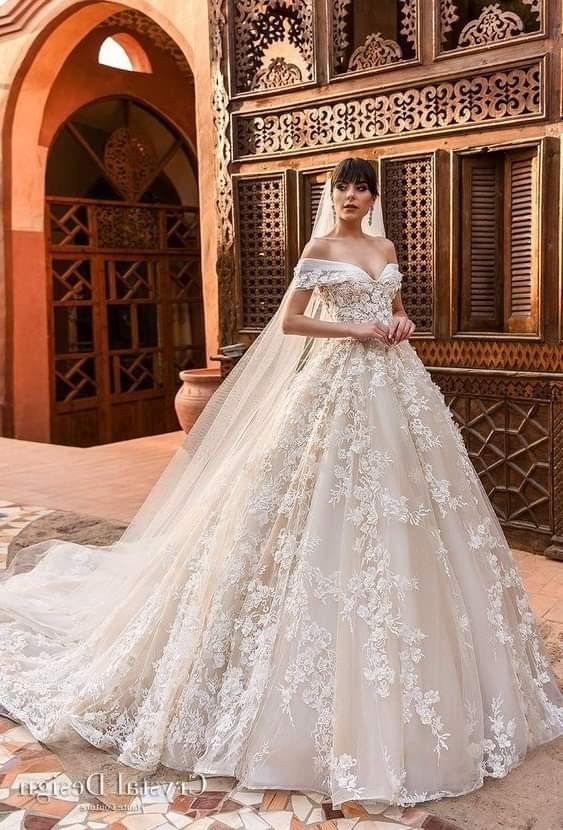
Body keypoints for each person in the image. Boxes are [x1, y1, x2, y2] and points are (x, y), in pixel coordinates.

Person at [0, 156, 561, 811]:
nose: (351, 195)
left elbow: (396, 307)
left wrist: (401, 325)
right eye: (343, 187)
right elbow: (292, 321)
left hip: (395, 384)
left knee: (419, 518)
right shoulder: (320, 248)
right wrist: (353, 327)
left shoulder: (383, 245)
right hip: (337, 384)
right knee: (310, 509)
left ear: (372, 197)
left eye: (360, 188)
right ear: (333, 195)